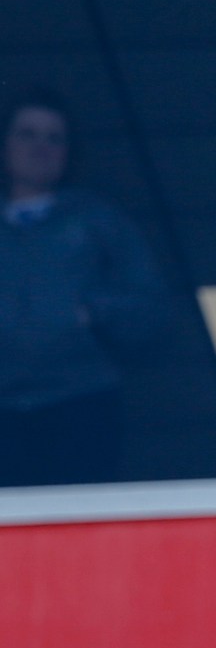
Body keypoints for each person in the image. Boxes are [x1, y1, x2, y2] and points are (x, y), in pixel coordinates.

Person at [0, 89, 168, 487]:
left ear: (68, 153)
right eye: (27, 134)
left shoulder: (98, 221)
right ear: (6, 144)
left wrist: (92, 312)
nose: (40, 147)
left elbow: (149, 305)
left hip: (80, 400)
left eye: (54, 138)